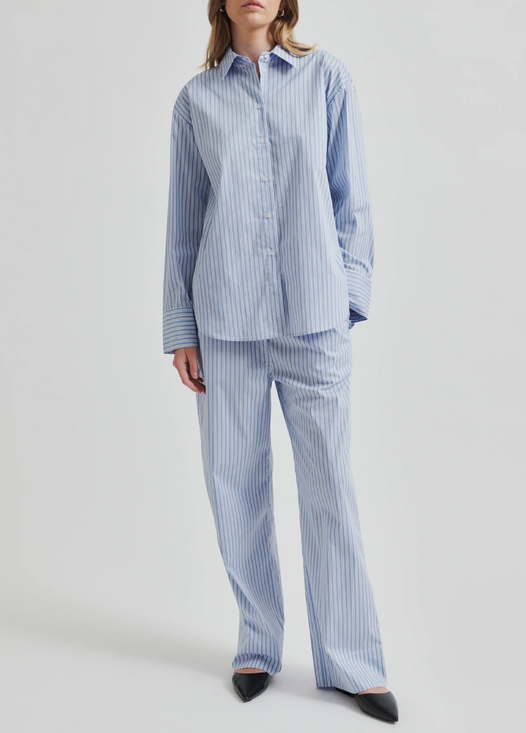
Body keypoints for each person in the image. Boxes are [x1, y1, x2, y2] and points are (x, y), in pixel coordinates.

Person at [162, 0, 399, 723]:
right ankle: (257, 645)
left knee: (331, 486)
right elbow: (184, 221)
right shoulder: (196, 100)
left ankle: (352, 660)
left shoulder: (328, 80)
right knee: (235, 484)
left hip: (314, 319)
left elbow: (351, 198)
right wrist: (181, 328)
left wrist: (347, 295)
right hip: (225, 320)